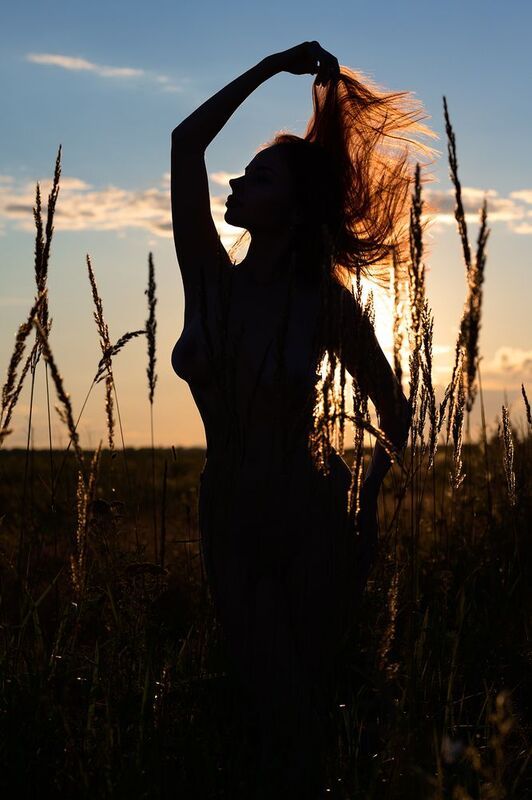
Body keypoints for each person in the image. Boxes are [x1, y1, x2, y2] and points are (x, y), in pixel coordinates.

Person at [170, 41, 437, 798]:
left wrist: (368, 499)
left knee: (297, 715)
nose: (235, 180)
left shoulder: (323, 303)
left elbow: (393, 405)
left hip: (311, 516)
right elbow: (186, 144)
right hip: (228, 515)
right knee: (271, 708)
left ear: (290, 204)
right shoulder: (209, 283)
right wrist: (269, 66)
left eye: (256, 176)